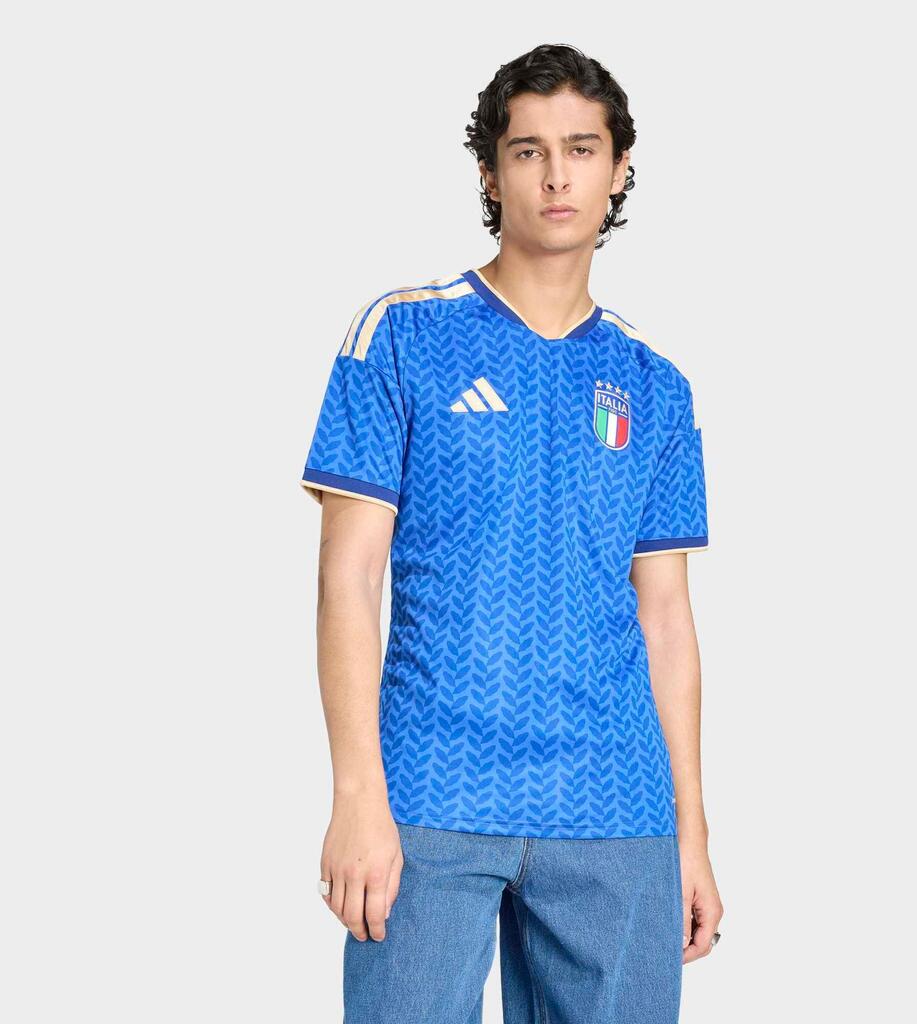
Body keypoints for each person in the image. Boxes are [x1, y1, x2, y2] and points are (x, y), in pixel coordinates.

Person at [300, 42, 724, 1023]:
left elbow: (666, 618)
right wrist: (357, 793)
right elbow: (347, 579)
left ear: (618, 169)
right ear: (491, 174)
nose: (556, 175)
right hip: (434, 791)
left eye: (581, 149)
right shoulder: (402, 335)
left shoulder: (656, 386)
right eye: (528, 151)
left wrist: (691, 832)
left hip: (615, 801)